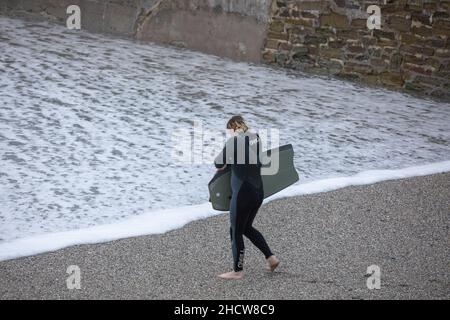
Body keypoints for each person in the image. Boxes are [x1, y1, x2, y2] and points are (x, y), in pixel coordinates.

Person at [214, 115, 280, 280]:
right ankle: (271, 258)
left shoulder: (233, 141)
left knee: (235, 230)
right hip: (258, 191)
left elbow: (218, 162)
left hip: (243, 193)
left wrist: (226, 163)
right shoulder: (255, 139)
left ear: (233, 127)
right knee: (246, 228)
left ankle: (237, 271)